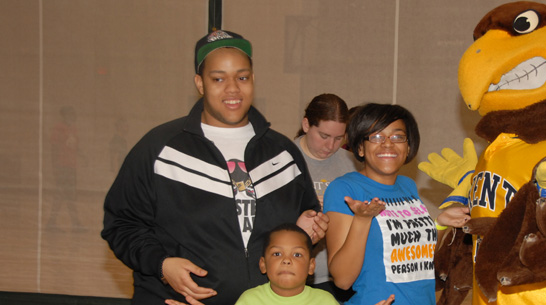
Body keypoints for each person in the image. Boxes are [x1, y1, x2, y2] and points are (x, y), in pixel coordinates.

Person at [101, 30, 328, 305]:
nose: (232, 89)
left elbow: (299, 227)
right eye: (218, 78)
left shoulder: (283, 152)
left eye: (242, 77)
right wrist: (162, 265)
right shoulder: (160, 148)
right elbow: (122, 224)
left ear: (253, 80)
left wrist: (308, 229)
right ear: (199, 83)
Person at [323, 103, 436, 305]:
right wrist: (362, 219)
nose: (387, 144)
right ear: (360, 147)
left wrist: (442, 224)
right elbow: (342, 279)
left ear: (408, 146)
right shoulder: (344, 189)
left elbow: (415, 254)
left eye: (397, 136)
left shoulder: (407, 186)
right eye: (376, 137)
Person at [294, 93, 358, 300]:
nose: (331, 146)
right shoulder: (281, 158)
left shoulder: (353, 164)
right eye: (323, 136)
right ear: (306, 125)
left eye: (339, 138)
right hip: (296, 276)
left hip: (340, 277)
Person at [234, 223, 338, 305]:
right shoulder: (249, 300)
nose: (286, 260)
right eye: (277, 254)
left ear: (311, 266)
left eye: (297, 255)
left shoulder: (325, 301)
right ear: (263, 264)